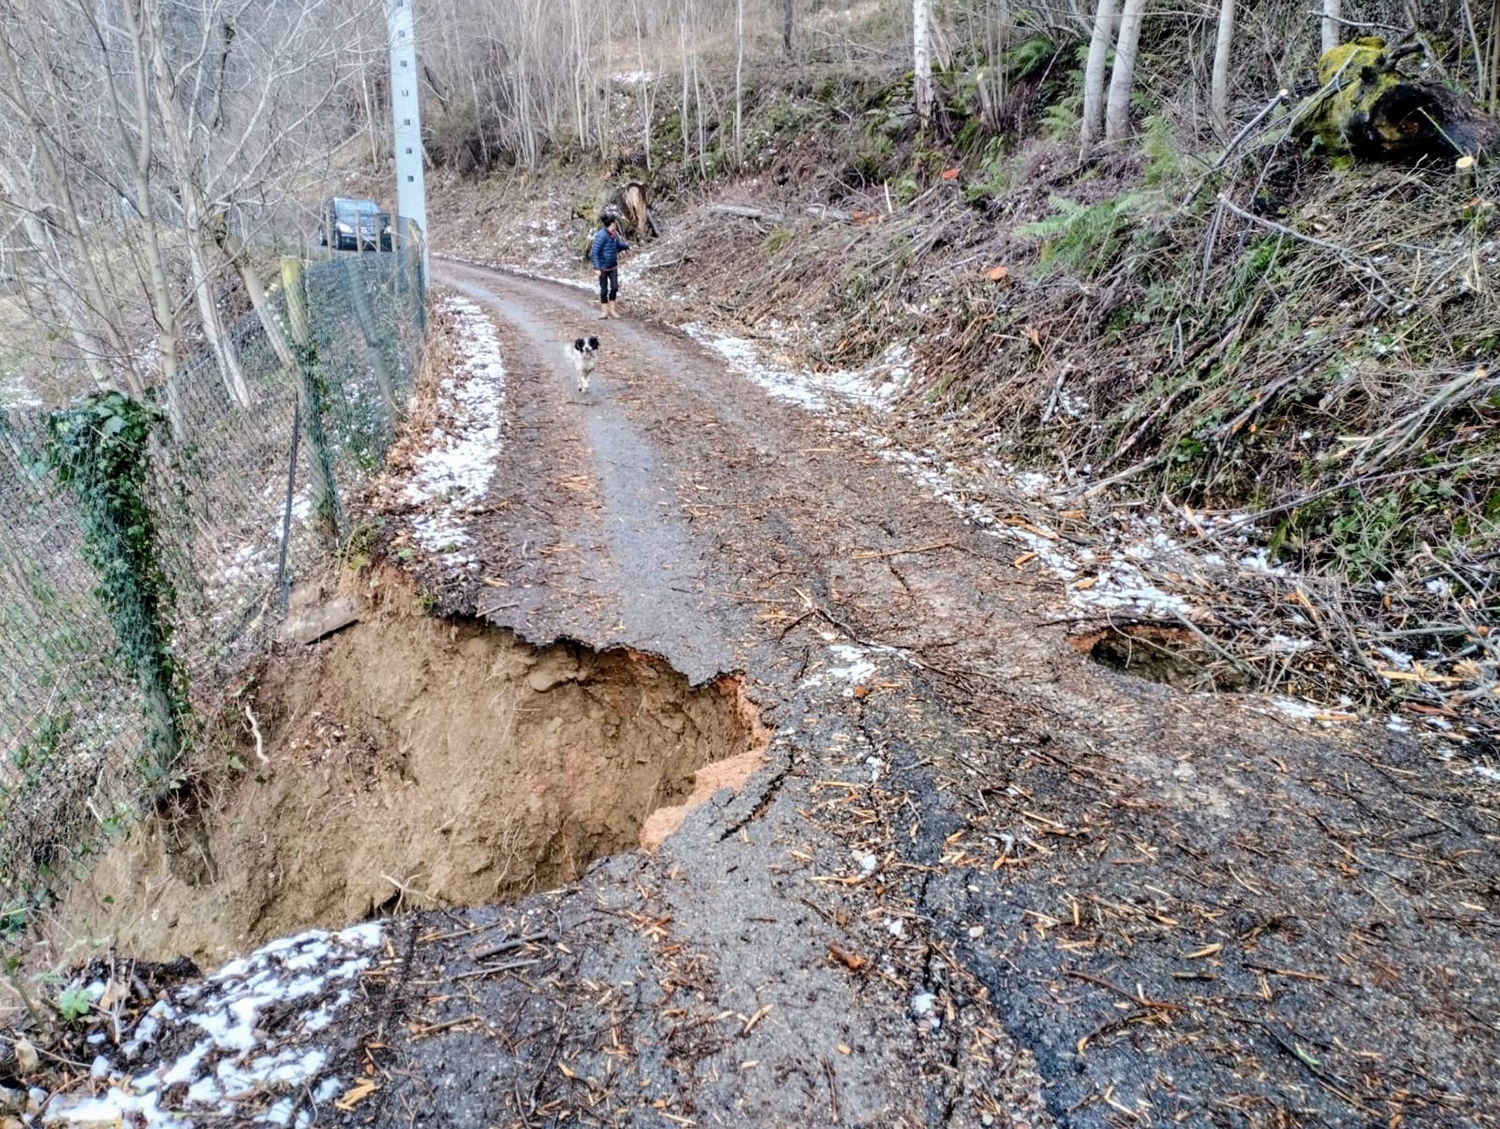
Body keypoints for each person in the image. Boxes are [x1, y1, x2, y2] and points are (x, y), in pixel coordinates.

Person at [589, 212, 630, 319]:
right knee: (604, 290)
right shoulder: (601, 236)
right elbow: (594, 253)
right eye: (614, 224)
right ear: (610, 224)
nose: (615, 225)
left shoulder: (614, 235)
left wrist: (627, 246)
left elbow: (617, 245)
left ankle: (612, 310)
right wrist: (596, 268)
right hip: (602, 268)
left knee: (615, 287)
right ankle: (604, 312)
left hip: (613, 267)